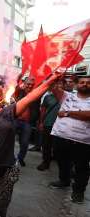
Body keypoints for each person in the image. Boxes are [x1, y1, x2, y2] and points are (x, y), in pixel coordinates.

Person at [0, 72, 62, 217]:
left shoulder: (10, 111)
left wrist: (50, 81)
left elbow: (31, 97)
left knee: (0, 205)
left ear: (3, 97)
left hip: (4, 167)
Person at [49, 75, 90, 204]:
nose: (85, 84)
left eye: (88, 83)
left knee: (81, 168)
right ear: (77, 85)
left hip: (83, 141)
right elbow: (51, 86)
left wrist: (68, 113)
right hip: (61, 136)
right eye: (82, 82)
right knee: (62, 161)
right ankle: (64, 180)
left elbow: (88, 115)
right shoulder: (67, 96)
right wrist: (56, 76)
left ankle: (78, 192)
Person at [36, 81, 63, 171]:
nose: (57, 86)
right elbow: (43, 110)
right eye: (55, 84)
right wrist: (41, 122)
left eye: (59, 84)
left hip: (61, 126)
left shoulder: (67, 97)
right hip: (48, 124)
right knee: (46, 145)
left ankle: (61, 164)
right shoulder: (48, 97)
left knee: (58, 146)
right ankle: (45, 162)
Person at [13, 77, 39, 166]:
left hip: (27, 123)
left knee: (24, 143)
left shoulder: (36, 94)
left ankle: (20, 158)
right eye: (28, 84)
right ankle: (9, 158)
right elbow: (16, 89)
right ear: (24, 84)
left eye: (32, 85)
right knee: (9, 140)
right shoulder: (20, 92)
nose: (30, 86)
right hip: (15, 120)